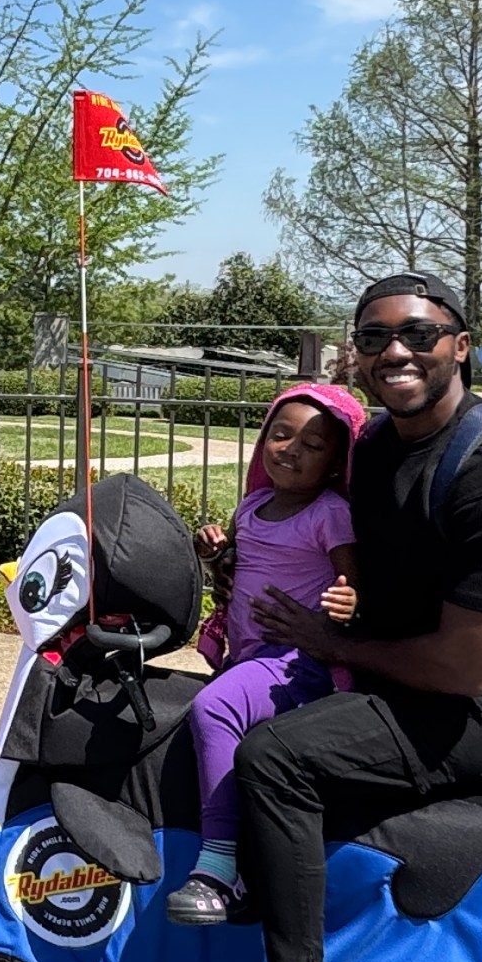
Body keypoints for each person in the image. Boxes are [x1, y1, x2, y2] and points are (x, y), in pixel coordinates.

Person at [180, 271, 482, 962]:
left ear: (460, 345)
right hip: (395, 671)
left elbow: (469, 667)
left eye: (420, 334)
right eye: (373, 338)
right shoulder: (384, 449)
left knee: (277, 759)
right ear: (355, 355)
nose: (396, 351)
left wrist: (337, 649)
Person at [164, 383, 364, 927]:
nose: (291, 448)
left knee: (214, 710)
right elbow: (240, 566)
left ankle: (216, 865)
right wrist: (216, 549)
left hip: (296, 664)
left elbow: (356, 581)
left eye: (313, 444)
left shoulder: (330, 513)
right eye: (280, 434)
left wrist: (348, 600)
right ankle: (256, 869)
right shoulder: (252, 505)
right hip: (252, 658)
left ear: (334, 464)